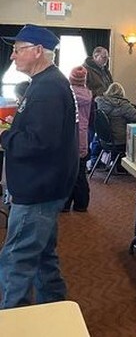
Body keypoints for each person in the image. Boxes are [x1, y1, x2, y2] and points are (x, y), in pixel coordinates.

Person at [0, 24, 79, 308]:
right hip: (47, 184)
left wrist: (5, 136)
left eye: (17, 50)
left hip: (38, 188)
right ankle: (54, 310)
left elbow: (39, 144)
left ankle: (14, 321)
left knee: (16, 260)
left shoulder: (47, 88)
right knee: (44, 256)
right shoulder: (49, 83)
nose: (12, 56)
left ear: (37, 52)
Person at [64, 66, 93, 212]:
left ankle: (65, 204)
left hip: (70, 135)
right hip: (83, 135)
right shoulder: (88, 94)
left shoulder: (66, 94)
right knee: (80, 172)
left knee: (67, 172)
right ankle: (81, 204)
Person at [96, 82, 136, 146]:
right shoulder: (123, 105)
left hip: (104, 139)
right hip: (120, 140)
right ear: (121, 93)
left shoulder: (100, 103)